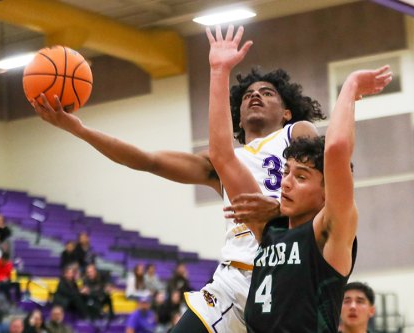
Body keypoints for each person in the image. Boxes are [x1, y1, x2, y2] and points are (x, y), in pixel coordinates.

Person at [32, 25, 324, 332]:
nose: (256, 96)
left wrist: (277, 210)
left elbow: (327, 194)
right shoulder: (223, 163)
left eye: (267, 93)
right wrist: (79, 130)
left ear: (287, 111)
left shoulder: (298, 133)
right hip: (234, 280)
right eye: (248, 95)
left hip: (288, 273)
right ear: (236, 117)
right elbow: (148, 160)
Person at [204, 25, 392, 332]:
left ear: (325, 192)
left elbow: (337, 148)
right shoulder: (268, 230)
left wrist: (352, 85)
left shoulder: (328, 234)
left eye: (301, 176)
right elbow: (222, 156)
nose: (287, 182)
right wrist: (218, 71)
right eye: (287, 172)